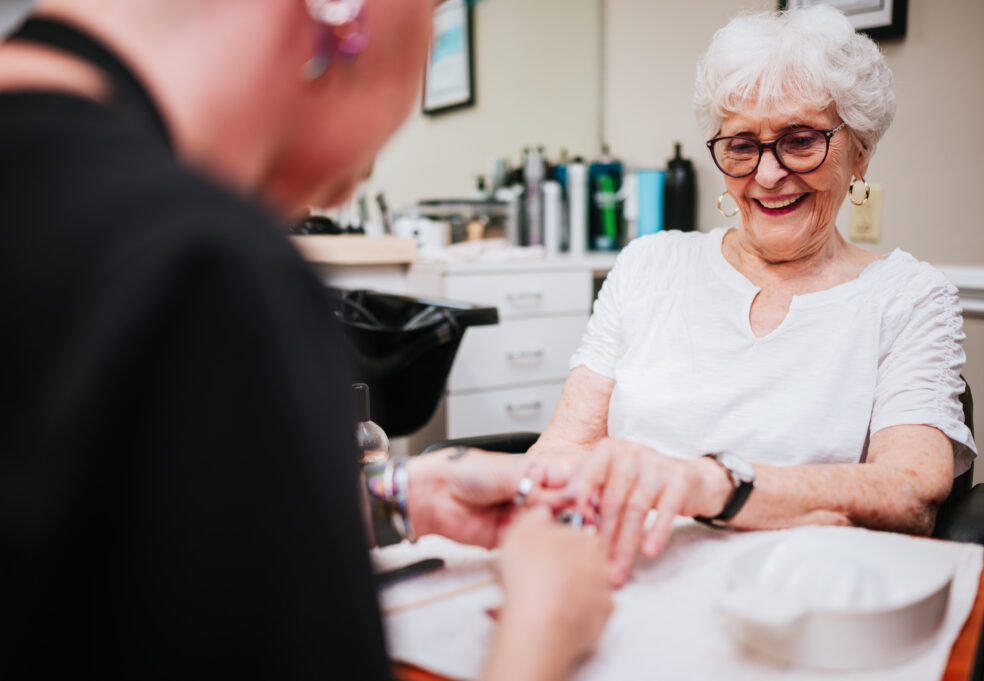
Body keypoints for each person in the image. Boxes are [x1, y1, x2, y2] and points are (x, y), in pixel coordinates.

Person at [0, 1, 611, 678]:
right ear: (344, 13)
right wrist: (545, 624)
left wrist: (391, 498)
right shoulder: (201, 265)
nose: (358, 179)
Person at [530, 5, 977, 587]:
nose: (768, 174)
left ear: (859, 150)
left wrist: (714, 483)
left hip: (799, 599)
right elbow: (562, 448)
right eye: (741, 144)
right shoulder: (649, 265)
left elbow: (909, 493)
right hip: (621, 579)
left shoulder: (911, 299)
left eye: (800, 140)